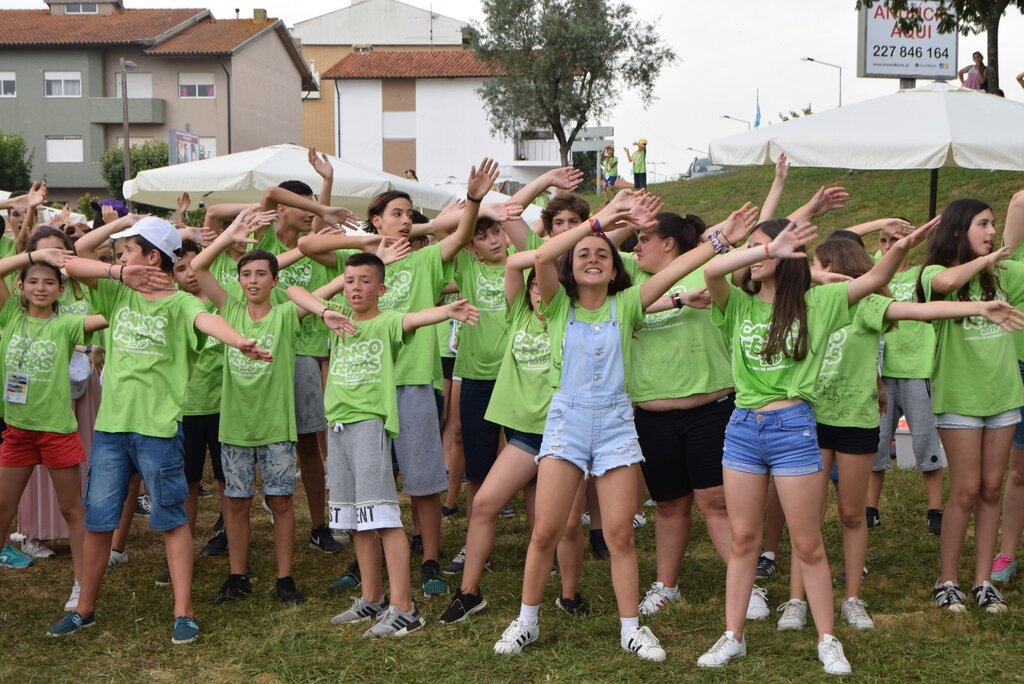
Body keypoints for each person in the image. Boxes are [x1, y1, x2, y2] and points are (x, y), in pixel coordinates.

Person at [492, 189, 731, 662]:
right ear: (570, 265)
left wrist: (720, 240)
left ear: (616, 267)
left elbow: (678, 269)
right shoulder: (556, 304)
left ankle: (630, 628)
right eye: (583, 254)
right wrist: (599, 223)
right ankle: (527, 621)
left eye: (603, 254)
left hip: (617, 425)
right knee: (545, 531)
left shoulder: (628, 304)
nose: (594, 259)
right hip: (567, 422)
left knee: (620, 535)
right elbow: (541, 255)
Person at [696, 216, 932, 675]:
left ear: (790, 256)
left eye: (763, 246)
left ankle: (828, 639)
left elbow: (875, 279)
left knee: (808, 543)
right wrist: (768, 248)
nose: (755, 255)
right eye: (753, 248)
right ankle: (733, 636)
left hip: (794, 428)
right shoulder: (737, 304)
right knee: (744, 539)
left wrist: (902, 248)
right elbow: (711, 270)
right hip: (742, 428)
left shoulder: (816, 303)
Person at [779, 232, 1022, 634]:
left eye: (819, 265)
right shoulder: (809, 300)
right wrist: (818, 277)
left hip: (856, 421)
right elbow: (770, 270)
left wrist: (980, 306)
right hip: (812, 421)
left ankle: (852, 598)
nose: (813, 271)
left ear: (834, 265)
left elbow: (921, 312)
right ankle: (796, 599)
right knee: (808, 518)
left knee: (852, 514)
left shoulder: (869, 305)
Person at [47, 216, 271, 644]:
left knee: (171, 519)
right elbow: (75, 257)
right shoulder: (117, 292)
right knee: (99, 520)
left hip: (159, 431)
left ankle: (183, 611)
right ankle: (84, 609)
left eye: (129, 250)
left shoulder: (181, 304)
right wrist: (125, 228)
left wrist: (239, 340)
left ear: (153, 257)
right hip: (112, 429)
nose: (120, 257)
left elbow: (206, 321)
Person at [300, 159, 501, 597]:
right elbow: (306, 242)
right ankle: (366, 563)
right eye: (397, 213)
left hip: (413, 383)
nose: (407, 220)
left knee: (423, 480)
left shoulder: (426, 259)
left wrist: (473, 199)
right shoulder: (358, 264)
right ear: (376, 220)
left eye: (410, 214)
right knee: (374, 481)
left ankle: (429, 560)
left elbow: (461, 235)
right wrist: (372, 245)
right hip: (364, 392)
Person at [307, 246, 479, 637]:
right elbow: (297, 295)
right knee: (357, 519)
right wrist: (325, 311)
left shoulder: (387, 322)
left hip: (370, 426)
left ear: (382, 290)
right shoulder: (338, 319)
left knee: (382, 517)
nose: (355, 288)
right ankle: (373, 597)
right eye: (350, 281)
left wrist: (446, 311)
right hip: (338, 427)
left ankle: (405, 608)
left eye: (365, 281)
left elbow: (416, 318)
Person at [439, 251, 589, 624]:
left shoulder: (571, 317)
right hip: (526, 435)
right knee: (484, 504)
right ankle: (469, 593)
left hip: (564, 434)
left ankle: (570, 595)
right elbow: (514, 264)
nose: (538, 292)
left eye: (545, 287)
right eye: (533, 286)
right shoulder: (518, 313)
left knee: (568, 525)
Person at [622, 210, 741, 618]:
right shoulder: (628, 276)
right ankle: (666, 585)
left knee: (715, 500)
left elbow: (763, 245)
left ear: (669, 243)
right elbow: (580, 251)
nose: (636, 246)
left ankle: (744, 584)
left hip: (711, 410)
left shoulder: (710, 268)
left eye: (644, 238)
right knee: (669, 503)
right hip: (653, 415)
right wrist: (623, 215)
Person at [191, 208, 311, 606]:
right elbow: (199, 266)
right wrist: (229, 236)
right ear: (239, 280)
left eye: (262, 274)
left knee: (281, 502)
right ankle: (237, 575)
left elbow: (322, 294)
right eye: (246, 274)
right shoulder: (229, 309)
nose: (254, 280)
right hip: (235, 428)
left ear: (275, 280)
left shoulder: (286, 314)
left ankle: (284, 578)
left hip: (276, 426)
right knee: (236, 501)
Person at [921, 198, 1024, 614]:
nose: (991, 232)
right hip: (960, 398)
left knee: (990, 488)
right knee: (964, 490)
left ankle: (984, 582)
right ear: (958, 229)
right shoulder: (934, 272)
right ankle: (947, 580)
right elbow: (945, 284)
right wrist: (985, 263)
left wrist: (994, 263)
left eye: (994, 224)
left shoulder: (1005, 275)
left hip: (1003, 395)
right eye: (982, 224)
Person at [0, 246, 105, 615]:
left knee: (72, 509)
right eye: (33, 281)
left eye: (49, 282)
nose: (40, 288)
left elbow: (108, 315)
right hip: (17, 430)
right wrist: (33, 255)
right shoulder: (10, 315)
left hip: (56, 431)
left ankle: (81, 584)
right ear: (20, 286)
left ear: (61, 289)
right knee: (3, 507)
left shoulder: (66, 324)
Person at [864, 220, 945, 534]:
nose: (887, 246)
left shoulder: (921, 275)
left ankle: (935, 509)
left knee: (925, 440)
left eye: (894, 240)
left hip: (916, 370)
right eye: (882, 240)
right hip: (880, 374)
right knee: (877, 443)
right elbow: (845, 240)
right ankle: (870, 508)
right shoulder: (873, 271)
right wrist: (880, 223)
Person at [992, 188, 1024, 583]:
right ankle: (1007, 554)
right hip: (1020, 367)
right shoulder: (1015, 253)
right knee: (1019, 471)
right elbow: (1018, 201)